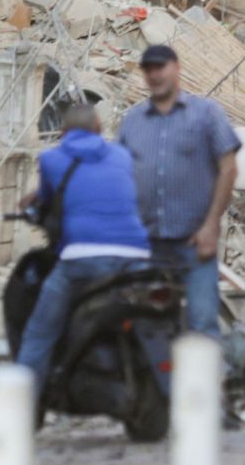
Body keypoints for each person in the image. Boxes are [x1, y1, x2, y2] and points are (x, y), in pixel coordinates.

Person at [14, 104, 151, 393]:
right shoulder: (122, 156)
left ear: (62, 133)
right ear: (100, 129)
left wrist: (34, 200)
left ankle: (23, 404)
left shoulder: (51, 159)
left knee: (40, 333)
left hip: (81, 258)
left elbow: (50, 200)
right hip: (136, 256)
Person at [117, 44, 240, 338]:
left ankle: (205, 383)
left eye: (160, 67)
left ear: (176, 68)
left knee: (201, 324)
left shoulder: (206, 114)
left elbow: (229, 168)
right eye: (148, 69)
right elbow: (119, 174)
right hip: (146, 245)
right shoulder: (132, 122)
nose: (155, 74)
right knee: (143, 327)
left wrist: (211, 226)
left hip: (194, 243)